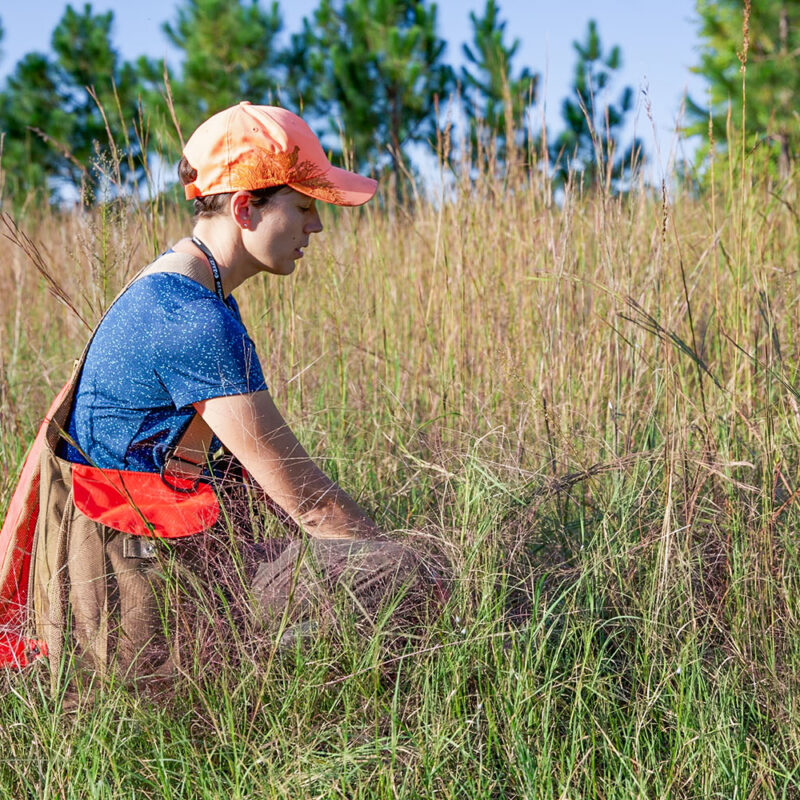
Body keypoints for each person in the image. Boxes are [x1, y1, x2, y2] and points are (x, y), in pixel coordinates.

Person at [24, 102, 441, 685]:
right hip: (133, 595)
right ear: (245, 207)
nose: (315, 226)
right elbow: (311, 504)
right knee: (405, 571)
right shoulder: (192, 319)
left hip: (139, 562)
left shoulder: (182, 286)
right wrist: (412, 564)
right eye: (302, 207)